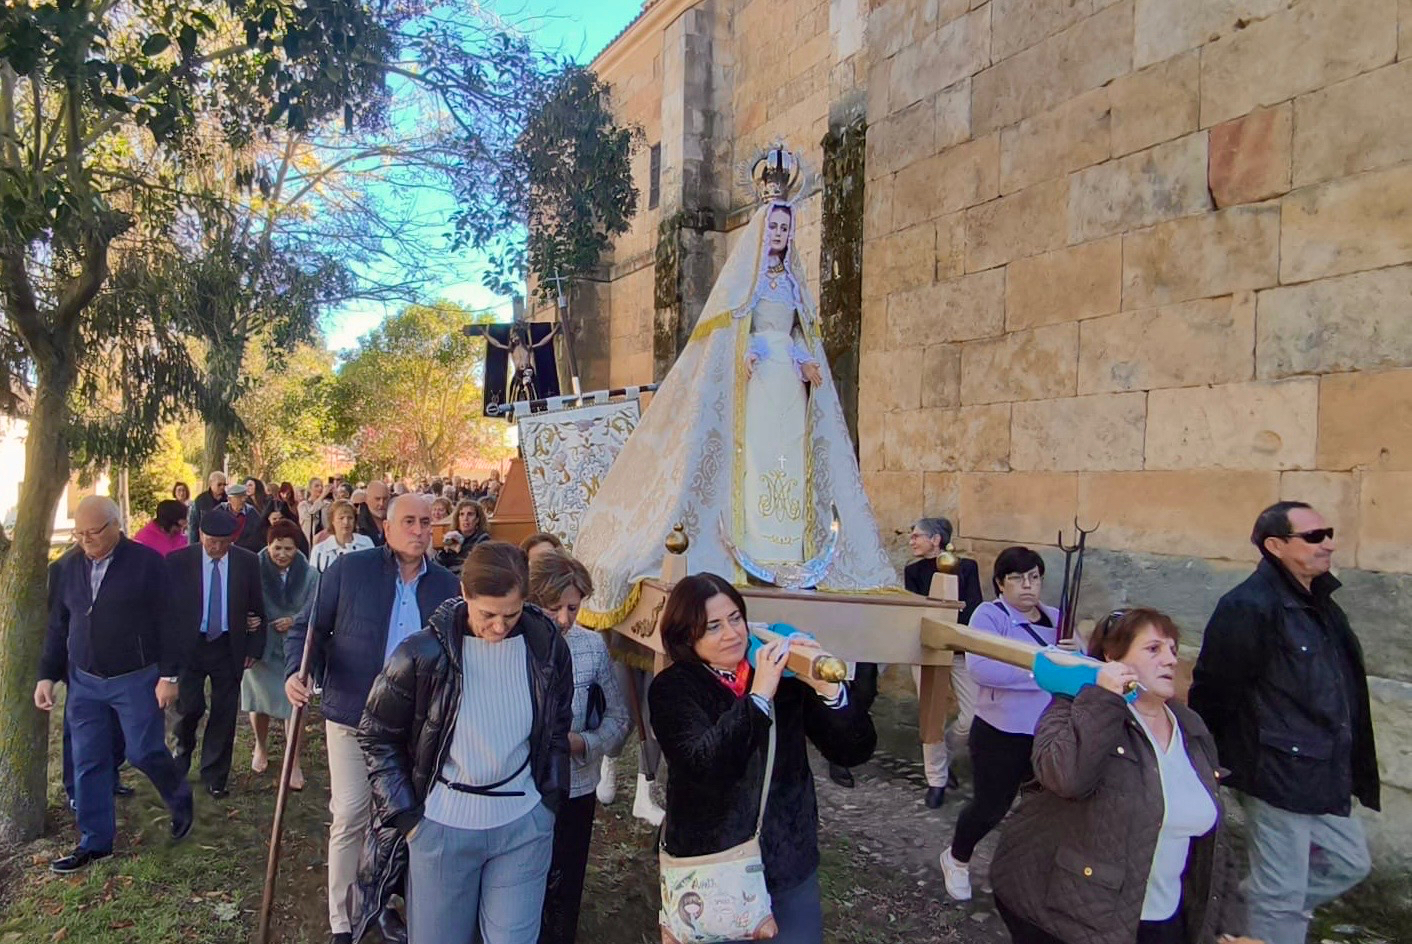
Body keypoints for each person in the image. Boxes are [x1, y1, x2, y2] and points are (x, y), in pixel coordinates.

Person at [573, 145, 896, 632]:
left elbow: (801, 332)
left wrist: (806, 360)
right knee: (755, 456)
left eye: (788, 228)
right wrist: (747, 350)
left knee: (789, 457)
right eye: (775, 226)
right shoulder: (743, 284)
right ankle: (750, 544)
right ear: (762, 229)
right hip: (758, 378)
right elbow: (727, 333)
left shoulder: (793, 285)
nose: (782, 235)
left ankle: (792, 545)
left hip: (789, 379)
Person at [349, 541, 573, 944]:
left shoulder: (546, 646)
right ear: (464, 594)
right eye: (488, 614)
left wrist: (549, 802)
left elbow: (557, 724)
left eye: (512, 613)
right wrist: (409, 820)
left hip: (524, 823)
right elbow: (376, 734)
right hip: (442, 827)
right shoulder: (421, 654)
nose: (500, 627)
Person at [989, 608, 1247, 944]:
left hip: (1164, 919)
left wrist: (1228, 924)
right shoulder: (1073, 708)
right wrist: (1104, 695)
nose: (1170, 659)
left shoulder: (1191, 728)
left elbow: (1214, 842)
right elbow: (1066, 778)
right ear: (1112, 658)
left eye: (1172, 649)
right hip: (1068, 916)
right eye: (1153, 649)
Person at [650, 574, 876, 943]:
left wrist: (828, 689)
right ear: (686, 636)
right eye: (714, 626)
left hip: (786, 858)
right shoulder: (673, 688)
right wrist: (757, 699)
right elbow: (704, 766)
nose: (732, 634)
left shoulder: (781, 679)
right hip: (714, 867)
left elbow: (852, 750)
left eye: (736, 618)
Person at [1190, 501, 1377, 944]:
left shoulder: (1321, 603)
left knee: (1350, 863)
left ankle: (1258, 911)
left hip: (1326, 770)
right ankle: (1271, 914)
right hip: (1276, 771)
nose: (1328, 543)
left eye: (1327, 533)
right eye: (1313, 536)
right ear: (1275, 545)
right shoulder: (1248, 606)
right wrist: (1210, 757)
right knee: (1281, 895)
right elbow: (1214, 691)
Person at [285, 493, 461, 944]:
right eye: (409, 521)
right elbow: (309, 630)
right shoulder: (348, 572)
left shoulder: (446, 586)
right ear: (386, 526)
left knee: (402, 814)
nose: (419, 530)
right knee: (350, 811)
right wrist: (295, 674)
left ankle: (383, 901)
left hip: (417, 723)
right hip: (352, 713)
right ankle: (342, 917)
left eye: (427, 521)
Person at [35, 496, 193, 873]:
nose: (85, 540)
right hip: (85, 682)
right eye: (79, 533)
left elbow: (173, 621)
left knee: (142, 751)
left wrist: (168, 676)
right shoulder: (66, 568)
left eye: (93, 532)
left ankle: (180, 798)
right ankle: (95, 842)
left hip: (135, 679)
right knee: (87, 760)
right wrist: (46, 674)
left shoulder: (147, 564)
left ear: (115, 526)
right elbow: (58, 626)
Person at [939, 545, 1063, 901]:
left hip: (1048, 732)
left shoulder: (1058, 619)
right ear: (1000, 583)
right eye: (1017, 578)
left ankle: (1029, 873)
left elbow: (1080, 669)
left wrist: (1074, 654)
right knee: (991, 806)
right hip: (1001, 731)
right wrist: (1044, 672)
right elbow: (983, 668)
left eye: (1034, 578)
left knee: (1043, 811)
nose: (1027, 586)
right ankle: (957, 858)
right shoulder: (989, 617)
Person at [836, 515, 984, 798]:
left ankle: (946, 754)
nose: (911, 541)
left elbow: (972, 608)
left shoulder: (966, 568)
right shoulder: (914, 571)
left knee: (974, 715)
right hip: (927, 651)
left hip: (960, 651)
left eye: (917, 536)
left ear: (935, 540)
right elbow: (916, 611)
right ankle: (936, 780)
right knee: (932, 717)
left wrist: (951, 625)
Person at [529, 551, 630, 944]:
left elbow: (619, 718)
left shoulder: (591, 646)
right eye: (553, 607)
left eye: (573, 607)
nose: (564, 619)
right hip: (523, 787)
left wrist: (583, 742)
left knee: (566, 879)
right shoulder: (514, 640)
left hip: (576, 785)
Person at [166, 508, 266, 799]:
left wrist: (254, 646)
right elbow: (166, 611)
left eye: (224, 542)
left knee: (224, 712)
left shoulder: (246, 562)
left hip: (227, 646)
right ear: (200, 535)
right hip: (191, 646)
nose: (217, 548)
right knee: (188, 708)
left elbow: (257, 607)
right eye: (211, 541)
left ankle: (215, 776)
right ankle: (179, 761)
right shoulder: (178, 562)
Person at [242, 520, 317, 791]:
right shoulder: (252, 569)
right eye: (277, 548)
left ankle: (293, 761)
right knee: (259, 701)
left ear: (297, 549)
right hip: (261, 646)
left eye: (288, 548)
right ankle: (260, 748)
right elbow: (242, 600)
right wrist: (250, 619)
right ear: (268, 545)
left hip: (293, 649)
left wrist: (294, 619)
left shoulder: (310, 576)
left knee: (295, 705)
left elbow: (314, 608)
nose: (282, 554)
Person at [310, 499, 375, 571]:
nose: (346, 522)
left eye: (350, 518)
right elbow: (314, 579)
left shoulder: (366, 543)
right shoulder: (320, 551)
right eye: (341, 518)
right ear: (332, 521)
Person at [438, 499, 492, 575]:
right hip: (447, 579)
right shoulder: (453, 536)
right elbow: (437, 563)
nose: (465, 518)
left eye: (470, 514)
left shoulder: (483, 539)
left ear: (477, 519)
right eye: (462, 514)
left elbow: (473, 565)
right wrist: (447, 549)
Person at [221, 481, 267, 554]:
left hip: (246, 553)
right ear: (229, 499)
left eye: (244, 496)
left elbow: (258, 538)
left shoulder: (252, 513)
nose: (243, 499)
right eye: (239, 497)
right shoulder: (220, 511)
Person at [188, 471, 227, 542]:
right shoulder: (200, 500)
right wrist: (193, 546)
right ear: (211, 484)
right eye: (219, 484)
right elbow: (193, 525)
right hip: (205, 541)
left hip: (223, 541)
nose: (222, 487)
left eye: (224, 484)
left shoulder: (228, 500)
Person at [300, 477, 331, 547]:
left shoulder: (327, 504)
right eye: (317, 486)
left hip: (325, 539)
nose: (320, 488)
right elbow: (310, 514)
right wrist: (322, 496)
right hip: (309, 541)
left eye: (321, 486)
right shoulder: (303, 505)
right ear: (310, 489)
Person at [357, 479, 389, 547]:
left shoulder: (396, 522)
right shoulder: (356, 524)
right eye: (377, 499)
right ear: (366, 499)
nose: (381, 504)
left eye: (385, 499)